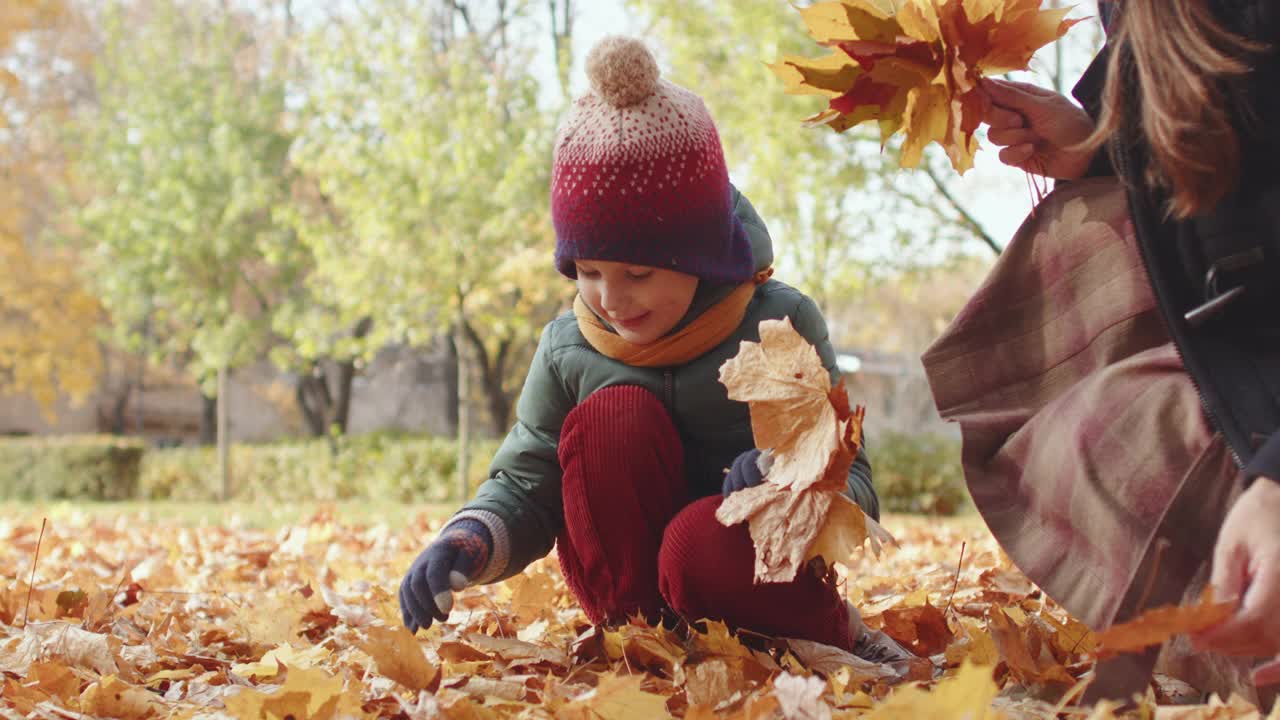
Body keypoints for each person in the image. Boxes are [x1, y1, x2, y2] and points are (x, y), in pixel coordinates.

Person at [397, 35, 912, 669]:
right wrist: (470, 539)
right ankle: (642, 646)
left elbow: (852, 478)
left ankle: (832, 633)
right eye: (588, 270)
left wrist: (790, 478)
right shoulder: (568, 346)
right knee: (609, 417)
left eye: (638, 274)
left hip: (747, 579)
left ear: (697, 254)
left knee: (695, 546)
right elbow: (528, 479)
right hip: (629, 592)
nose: (610, 298)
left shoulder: (777, 323)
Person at [925, 0, 1280, 704]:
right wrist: (1104, 146)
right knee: (1092, 431)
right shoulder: (1153, 26)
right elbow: (1233, 183)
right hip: (1245, 379)